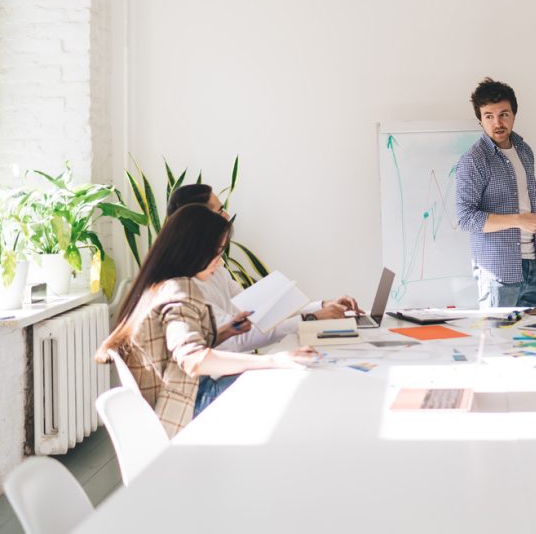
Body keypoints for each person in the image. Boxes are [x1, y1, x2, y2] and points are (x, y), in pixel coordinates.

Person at [96, 204, 318, 437]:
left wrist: (223, 332)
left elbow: (173, 350)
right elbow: (192, 360)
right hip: (184, 405)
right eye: (217, 252)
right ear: (194, 250)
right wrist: (275, 360)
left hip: (169, 403)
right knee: (285, 385)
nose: (219, 262)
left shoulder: (155, 286)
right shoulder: (178, 290)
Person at [166, 184, 362, 355]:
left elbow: (258, 312)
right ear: (199, 223)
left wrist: (321, 306)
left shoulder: (217, 271)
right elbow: (236, 340)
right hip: (217, 380)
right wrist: (310, 319)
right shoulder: (184, 287)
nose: (226, 216)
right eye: (220, 211)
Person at [455, 78, 536, 308]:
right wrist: (518, 221)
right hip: (498, 272)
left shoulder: (524, 150)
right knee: (499, 343)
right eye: (489, 116)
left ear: (514, 115)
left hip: (534, 267)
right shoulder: (474, 161)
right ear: (480, 119)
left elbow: (529, 195)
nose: (497, 122)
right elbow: (466, 218)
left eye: (503, 114)